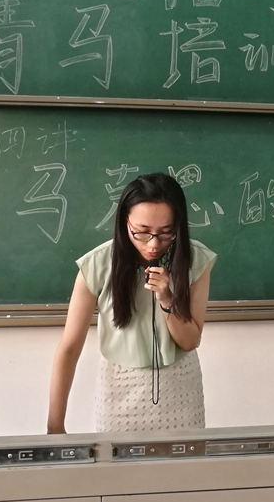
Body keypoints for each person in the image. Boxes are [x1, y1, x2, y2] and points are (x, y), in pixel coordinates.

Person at [47, 172, 217, 433]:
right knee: (116, 460)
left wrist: (167, 298)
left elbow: (189, 341)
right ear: (125, 221)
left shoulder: (196, 260)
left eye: (166, 233)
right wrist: (54, 425)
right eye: (142, 232)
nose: (153, 244)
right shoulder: (97, 264)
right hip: (119, 388)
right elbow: (69, 348)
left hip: (180, 388)